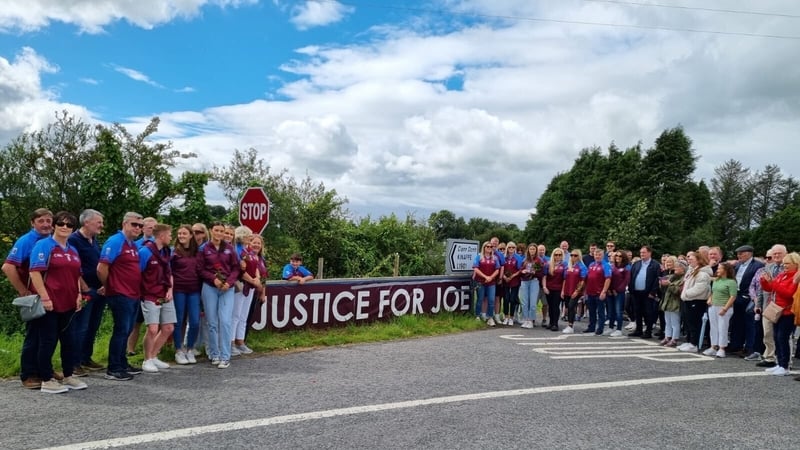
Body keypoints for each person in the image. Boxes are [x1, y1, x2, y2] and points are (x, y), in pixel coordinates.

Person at [28, 211, 88, 393]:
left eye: (69, 225)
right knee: (48, 341)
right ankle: (46, 379)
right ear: (54, 225)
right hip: (50, 302)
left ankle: (68, 375)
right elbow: (34, 272)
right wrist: (45, 297)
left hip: (69, 302)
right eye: (61, 223)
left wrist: (78, 295)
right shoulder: (44, 245)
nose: (65, 227)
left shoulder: (72, 249)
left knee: (69, 340)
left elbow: (76, 275)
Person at [1, 207, 54, 389]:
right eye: (41, 221)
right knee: (34, 336)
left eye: (48, 221)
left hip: (51, 295)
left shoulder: (52, 240)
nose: (46, 224)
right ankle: (28, 374)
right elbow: (8, 267)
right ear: (33, 223)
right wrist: (23, 291)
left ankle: (44, 369)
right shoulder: (27, 240)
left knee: (48, 336)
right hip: (34, 297)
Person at [98, 211, 144, 381]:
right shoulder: (116, 241)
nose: (137, 228)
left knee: (127, 329)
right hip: (120, 293)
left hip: (132, 293)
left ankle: (122, 362)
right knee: (121, 329)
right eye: (134, 224)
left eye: (140, 226)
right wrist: (109, 286)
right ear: (125, 224)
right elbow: (102, 267)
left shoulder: (132, 244)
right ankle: (114, 367)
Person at [197, 222, 241, 369]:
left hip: (227, 288)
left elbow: (236, 268)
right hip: (210, 287)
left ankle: (225, 355)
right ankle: (214, 353)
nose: (219, 234)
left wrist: (229, 282)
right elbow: (200, 269)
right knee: (212, 322)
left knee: (226, 321)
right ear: (211, 231)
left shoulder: (230, 249)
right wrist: (213, 279)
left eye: (221, 231)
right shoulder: (204, 249)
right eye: (216, 230)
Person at [68, 209, 106, 375]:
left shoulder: (94, 240)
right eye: (98, 222)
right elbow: (74, 267)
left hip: (99, 290)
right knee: (80, 326)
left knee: (92, 326)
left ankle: (86, 358)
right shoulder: (74, 240)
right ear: (86, 222)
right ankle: (73, 363)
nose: (101, 226)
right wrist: (84, 286)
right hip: (84, 290)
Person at [139, 224, 177, 373]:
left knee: (168, 328)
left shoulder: (167, 252)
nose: (170, 237)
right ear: (161, 236)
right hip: (150, 293)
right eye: (169, 235)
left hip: (165, 293)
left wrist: (170, 289)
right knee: (153, 329)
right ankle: (146, 359)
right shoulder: (145, 252)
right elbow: (138, 274)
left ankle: (154, 356)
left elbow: (169, 273)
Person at [759, 252, 799, 377]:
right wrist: (765, 281)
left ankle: (785, 365)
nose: (784, 266)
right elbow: (771, 288)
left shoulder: (795, 277)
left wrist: (774, 284)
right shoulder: (783, 275)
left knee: (783, 337)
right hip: (777, 309)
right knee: (776, 336)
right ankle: (780, 362)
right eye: (784, 263)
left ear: (796, 264)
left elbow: (789, 293)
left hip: (787, 311)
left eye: (787, 263)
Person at [749, 245, 786, 368]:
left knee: (781, 335)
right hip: (767, 304)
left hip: (783, 306)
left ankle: (782, 361)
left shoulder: (789, 268)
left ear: (785, 254)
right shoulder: (767, 267)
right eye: (772, 255)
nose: (775, 256)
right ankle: (770, 357)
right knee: (768, 333)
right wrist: (758, 305)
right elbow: (760, 288)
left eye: (778, 253)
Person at [171, 224, 202, 365]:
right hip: (179, 290)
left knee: (195, 321)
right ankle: (178, 349)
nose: (182, 236)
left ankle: (190, 348)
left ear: (191, 235)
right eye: (179, 234)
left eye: (184, 233)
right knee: (178, 321)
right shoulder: (174, 252)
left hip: (194, 290)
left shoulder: (197, 252)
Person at [729, 245, 765, 359]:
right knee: (736, 322)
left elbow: (756, 283)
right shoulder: (738, 265)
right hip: (737, 295)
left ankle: (750, 347)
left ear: (749, 253)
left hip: (749, 296)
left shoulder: (758, 265)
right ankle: (736, 345)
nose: (739, 256)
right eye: (738, 254)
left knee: (750, 323)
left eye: (741, 253)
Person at [232, 226, 262, 356]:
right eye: (248, 235)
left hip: (249, 286)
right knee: (235, 315)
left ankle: (240, 341)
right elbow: (240, 271)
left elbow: (255, 266)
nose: (250, 237)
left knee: (243, 315)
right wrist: (253, 280)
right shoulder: (237, 250)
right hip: (241, 285)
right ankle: (231, 342)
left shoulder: (247, 250)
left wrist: (256, 279)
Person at [679, 251, 713, 353]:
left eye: (691, 259)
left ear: (699, 260)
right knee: (688, 322)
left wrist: (686, 294)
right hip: (688, 300)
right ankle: (690, 341)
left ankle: (695, 344)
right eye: (688, 258)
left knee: (694, 323)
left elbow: (700, 288)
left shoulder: (702, 274)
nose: (689, 260)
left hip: (696, 300)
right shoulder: (692, 271)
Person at [703, 262, 738, 358]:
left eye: (720, 268)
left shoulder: (731, 282)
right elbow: (713, 292)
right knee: (713, 327)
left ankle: (722, 348)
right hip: (713, 306)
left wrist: (725, 308)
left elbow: (733, 296)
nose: (717, 270)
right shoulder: (716, 280)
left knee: (722, 328)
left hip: (724, 307)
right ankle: (713, 346)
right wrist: (710, 299)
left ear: (726, 270)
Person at [628, 246, 661, 339]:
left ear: (649, 253)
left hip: (648, 293)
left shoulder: (655, 265)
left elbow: (656, 279)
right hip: (636, 292)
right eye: (641, 252)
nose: (642, 254)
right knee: (637, 312)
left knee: (648, 313)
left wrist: (653, 292)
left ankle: (648, 331)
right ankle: (638, 330)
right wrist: (631, 289)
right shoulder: (637, 264)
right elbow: (631, 276)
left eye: (644, 252)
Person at [472, 241, 500, 327]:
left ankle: (490, 317)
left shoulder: (495, 258)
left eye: (491, 247)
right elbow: (476, 268)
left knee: (491, 300)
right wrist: (485, 277)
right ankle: (477, 315)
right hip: (481, 281)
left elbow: (497, 269)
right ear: (484, 247)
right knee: (480, 299)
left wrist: (491, 277)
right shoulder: (479, 257)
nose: (489, 248)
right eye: (487, 246)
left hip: (491, 282)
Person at [585, 248, 612, 335]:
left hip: (599, 291)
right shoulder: (591, 264)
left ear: (602, 255)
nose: (597, 256)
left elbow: (608, 279)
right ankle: (591, 327)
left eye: (599, 255)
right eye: (596, 255)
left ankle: (600, 328)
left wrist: (604, 291)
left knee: (600, 311)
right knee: (591, 311)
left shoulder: (605, 265)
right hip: (590, 291)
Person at [659, 258, 686, 347]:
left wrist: (669, 284)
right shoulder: (671, 276)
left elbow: (678, 291)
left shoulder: (683, 279)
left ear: (683, 269)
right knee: (668, 321)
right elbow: (663, 287)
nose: (675, 269)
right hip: (667, 302)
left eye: (678, 268)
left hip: (676, 303)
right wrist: (662, 284)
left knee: (675, 322)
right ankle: (667, 336)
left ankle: (674, 338)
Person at [519, 244, 545, 329]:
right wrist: (523, 271)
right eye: (531, 249)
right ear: (528, 250)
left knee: (533, 303)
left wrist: (535, 273)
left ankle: (531, 320)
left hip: (534, 281)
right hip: (525, 281)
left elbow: (541, 273)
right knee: (524, 302)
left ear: (536, 250)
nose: (532, 251)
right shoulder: (525, 260)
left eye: (534, 249)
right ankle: (526, 319)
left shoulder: (539, 260)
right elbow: (520, 270)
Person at [561, 249, 587, 334]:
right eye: (571, 255)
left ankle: (570, 325)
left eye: (575, 255)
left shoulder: (582, 266)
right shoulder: (568, 266)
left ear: (579, 256)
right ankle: (569, 323)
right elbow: (565, 279)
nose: (573, 257)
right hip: (567, 290)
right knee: (568, 307)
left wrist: (577, 291)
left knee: (572, 306)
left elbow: (583, 280)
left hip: (576, 290)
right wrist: (562, 290)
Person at [542, 248, 567, 331]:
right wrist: (544, 287)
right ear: (553, 255)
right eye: (556, 254)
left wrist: (563, 290)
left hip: (558, 288)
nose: (558, 256)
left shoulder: (564, 264)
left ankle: (555, 324)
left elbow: (565, 279)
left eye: (560, 255)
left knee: (556, 306)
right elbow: (544, 276)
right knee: (550, 306)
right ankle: (551, 322)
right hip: (549, 288)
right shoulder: (548, 264)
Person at [607, 251, 631, 337]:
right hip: (610, 291)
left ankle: (619, 329)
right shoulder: (612, 266)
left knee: (618, 311)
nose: (617, 257)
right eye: (616, 255)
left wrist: (617, 290)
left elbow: (626, 281)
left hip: (619, 292)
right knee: (611, 311)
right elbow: (609, 278)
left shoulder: (627, 267)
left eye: (620, 256)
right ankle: (610, 327)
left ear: (623, 257)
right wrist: (609, 289)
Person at [500, 242, 522, 326]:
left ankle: (511, 318)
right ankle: (506, 317)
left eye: (513, 247)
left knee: (512, 299)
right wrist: (504, 277)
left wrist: (512, 276)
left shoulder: (518, 257)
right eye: (510, 247)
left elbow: (520, 269)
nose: (511, 249)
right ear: (507, 248)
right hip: (505, 280)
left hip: (515, 280)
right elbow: (501, 267)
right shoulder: (504, 257)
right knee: (506, 299)